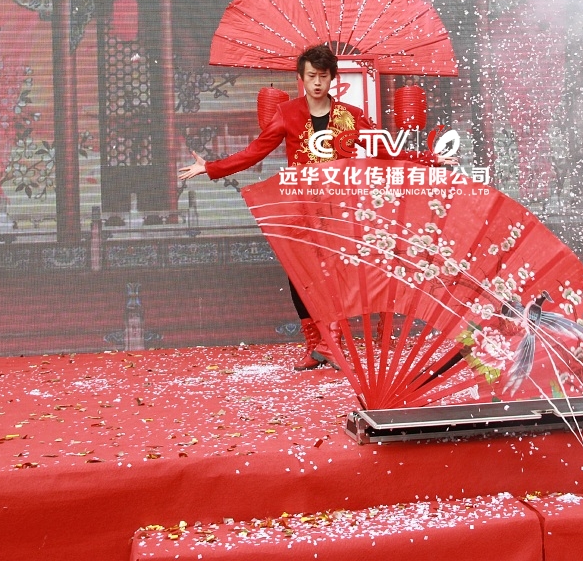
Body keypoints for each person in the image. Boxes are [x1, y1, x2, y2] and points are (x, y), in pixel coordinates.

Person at [178, 44, 452, 370]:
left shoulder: (351, 116)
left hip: (340, 208)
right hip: (301, 208)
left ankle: (330, 342)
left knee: (335, 273)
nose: (317, 83)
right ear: (302, 78)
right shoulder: (287, 114)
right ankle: (317, 347)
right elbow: (255, 152)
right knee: (299, 277)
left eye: (323, 76)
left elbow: (385, 150)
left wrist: (430, 159)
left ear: (332, 78)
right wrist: (210, 167)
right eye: (311, 76)